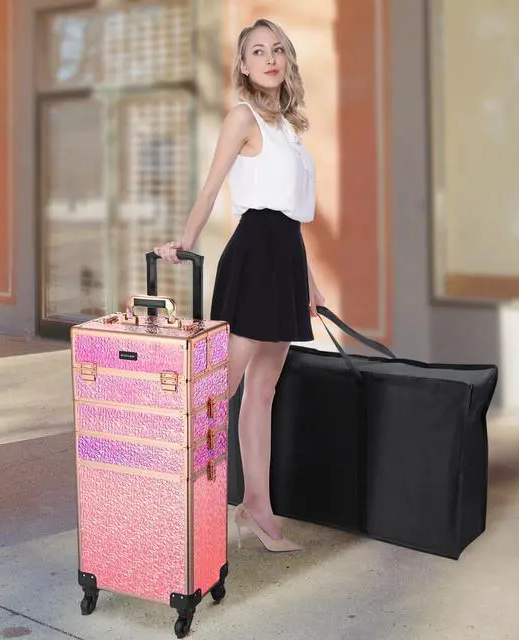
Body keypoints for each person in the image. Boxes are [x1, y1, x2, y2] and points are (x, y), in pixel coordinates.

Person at [154, 18, 323, 553]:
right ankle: (170, 500)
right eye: (257, 51)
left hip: (286, 258)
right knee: (216, 392)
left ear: (286, 60)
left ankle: (256, 507)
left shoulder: (289, 129)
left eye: (277, 50)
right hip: (253, 258)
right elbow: (211, 190)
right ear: (244, 66)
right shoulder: (241, 118)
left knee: (263, 391)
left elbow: (291, 217)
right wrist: (184, 242)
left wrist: (310, 282)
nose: (269, 59)